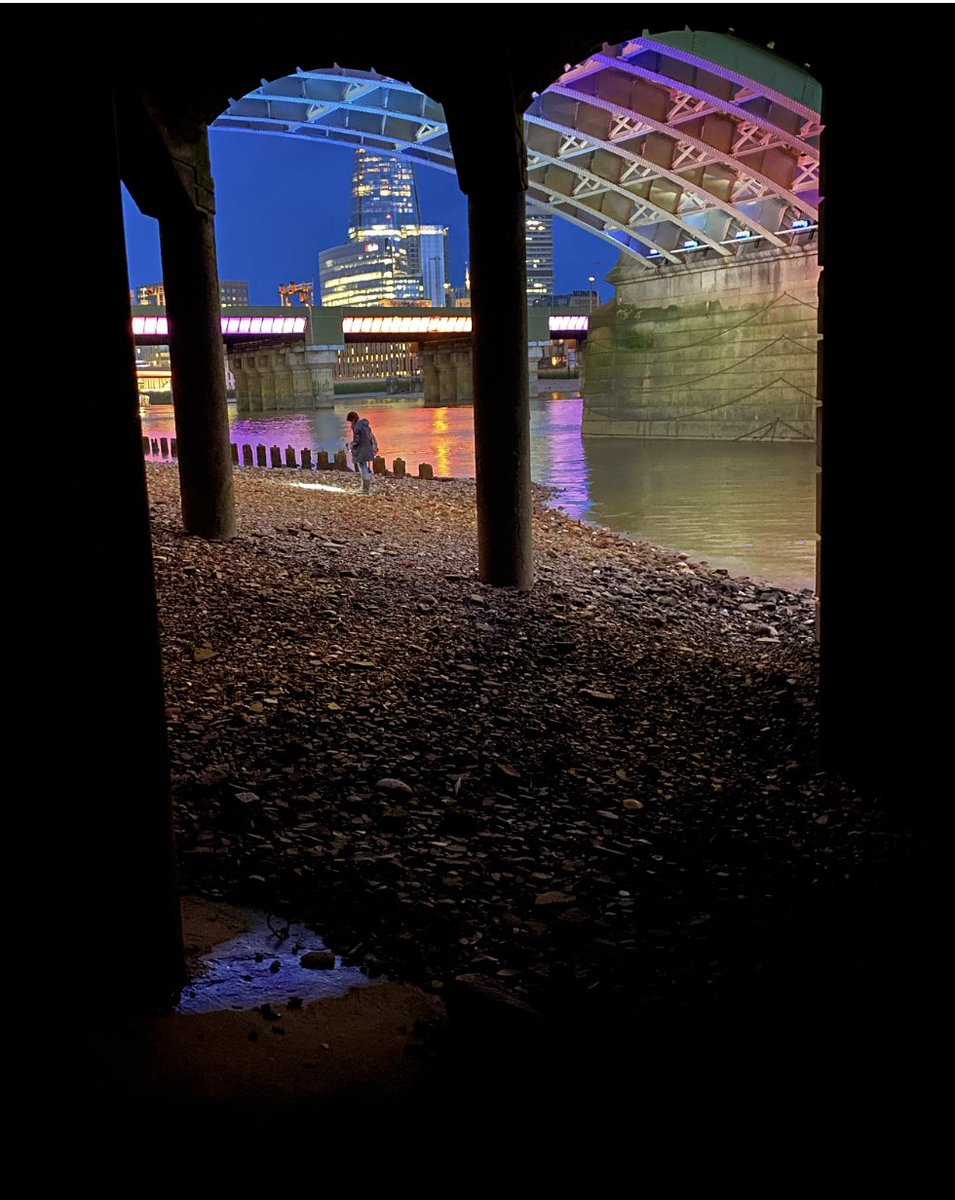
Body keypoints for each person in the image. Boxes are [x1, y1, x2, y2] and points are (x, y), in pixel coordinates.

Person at [346, 410, 378, 494]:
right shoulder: (365, 426)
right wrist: (375, 447)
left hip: (361, 451)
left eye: (350, 421)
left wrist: (350, 445)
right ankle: (365, 488)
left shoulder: (357, 427)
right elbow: (371, 437)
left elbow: (357, 441)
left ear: (352, 419)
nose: (350, 424)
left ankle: (365, 489)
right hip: (368, 449)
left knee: (362, 468)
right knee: (365, 468)